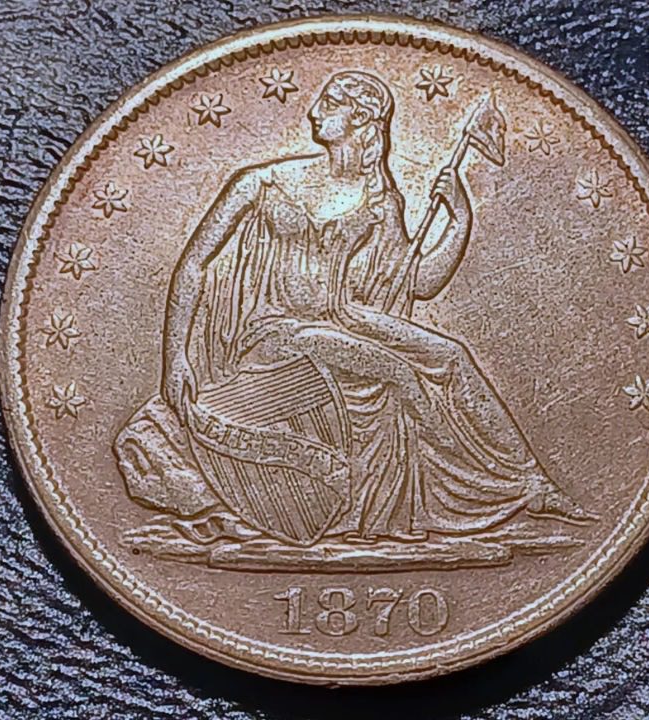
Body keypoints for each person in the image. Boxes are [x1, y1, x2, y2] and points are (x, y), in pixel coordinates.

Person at [118, 70, 591, 546]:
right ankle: (469, 487)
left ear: (360, 118)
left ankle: (531, 485)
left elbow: (420, 282)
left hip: (341, 319)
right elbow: (195, 263)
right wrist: (175, 356)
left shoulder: (380, 199)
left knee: (451, 357)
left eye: (327, 103)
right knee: (400, 374)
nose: (313, 111)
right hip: (272, 331)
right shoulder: (261, 182)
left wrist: (459, 218)